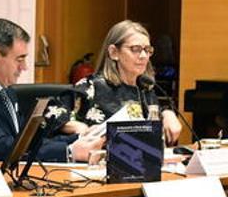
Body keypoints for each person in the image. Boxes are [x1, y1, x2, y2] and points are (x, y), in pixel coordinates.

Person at [0, 18, 102, 168]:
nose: (24, 67)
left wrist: (79, 139)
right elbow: (2, 148)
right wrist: (68, 151)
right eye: (19, 60)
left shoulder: (6, 92)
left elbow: (25, 141)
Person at [47, 20, 183, 145]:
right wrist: (79, 127)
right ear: (113, 52)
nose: (143, 56)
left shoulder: (146, 89)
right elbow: (50, 115)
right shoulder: (91, 86)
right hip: (97, 165)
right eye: (135, 49)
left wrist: (167, 114)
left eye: (147, 50)